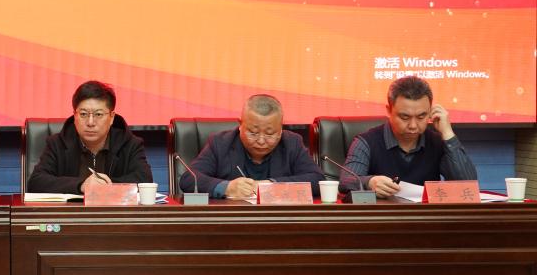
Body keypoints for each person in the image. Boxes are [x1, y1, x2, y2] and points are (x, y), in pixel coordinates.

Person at [340, 75, 477, 198]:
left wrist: (448, 133)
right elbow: (345, 181)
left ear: (430, 112)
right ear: (389, 111)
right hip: (382, 216)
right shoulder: (367, 142)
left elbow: (468, 186)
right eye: (405, 117)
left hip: (426, 216)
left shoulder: (437, 142)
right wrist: (369, 182)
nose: (413, 125)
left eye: (421, 117)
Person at [179, 94, 324, 198]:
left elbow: (318, 180)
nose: (261, 141)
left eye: (270, 134)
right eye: (253, 133)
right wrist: (227, 187)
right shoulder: (220, 143)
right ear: (240, 126)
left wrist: (270, 186)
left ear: (281, 130)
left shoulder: (292, 143)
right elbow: (189, 179)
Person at [27, 80, 153, 194]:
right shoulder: (57, 143)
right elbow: (36, 182)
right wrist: (81, 185)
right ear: (75, 116)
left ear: (111, 117)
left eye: (98, 114)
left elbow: (145, 181)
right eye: (83, 114)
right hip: (71, 212)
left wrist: (103, 186)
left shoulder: (130, 144)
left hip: (113, 212)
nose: (90, 122)